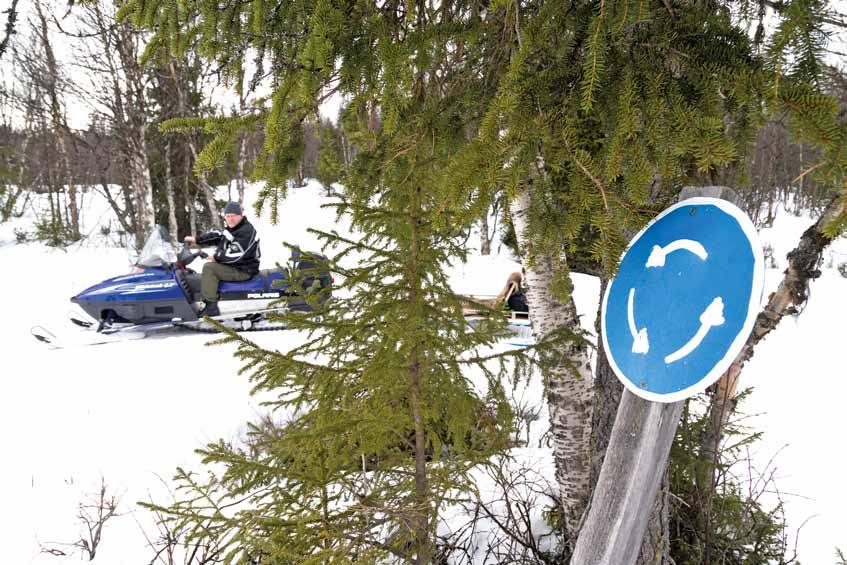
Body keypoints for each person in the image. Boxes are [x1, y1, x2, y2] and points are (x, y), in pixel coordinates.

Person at [184, 201, 261, 317]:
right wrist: (197, 240)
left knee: (209, 268)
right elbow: (218, 236)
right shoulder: (233, 228)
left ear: (240, 216)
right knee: (209, 268)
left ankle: (211, 307)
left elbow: (235, 254)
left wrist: (216, 257)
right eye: (228, 216)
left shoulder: (246, 231)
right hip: (236, 266)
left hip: (244, 270)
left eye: (233, 216)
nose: (230, 219)